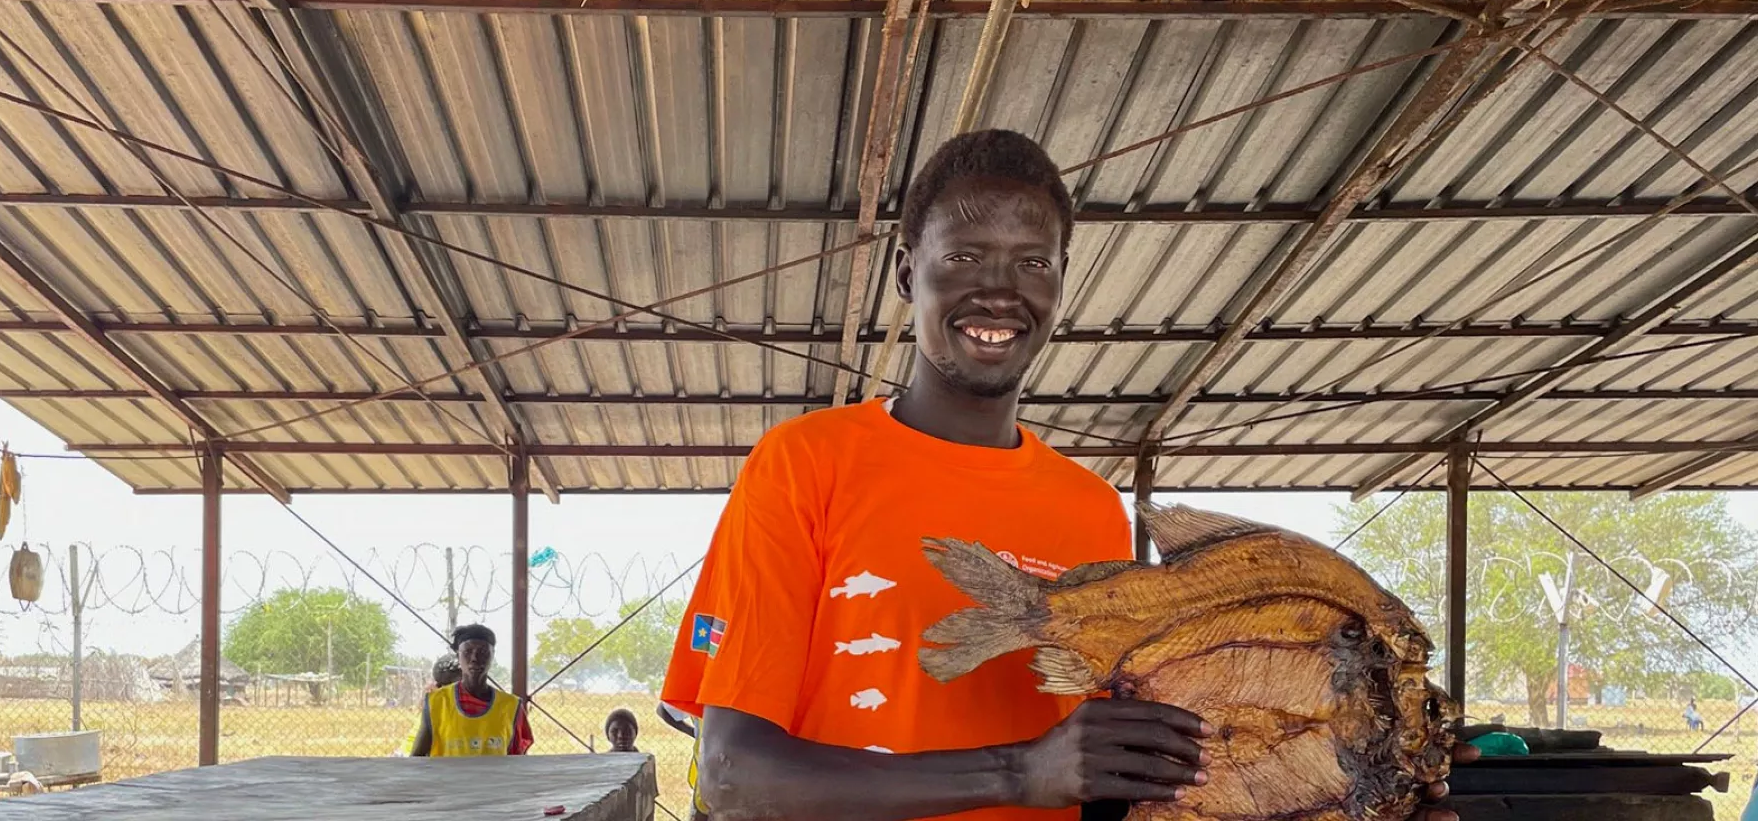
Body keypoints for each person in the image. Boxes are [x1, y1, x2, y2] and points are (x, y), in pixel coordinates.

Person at [656, 129, 1475, 821]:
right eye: (966, 255)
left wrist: (1368, 784)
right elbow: (735, 778)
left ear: (1059, 284)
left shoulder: (1087, 508)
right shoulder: (806, 463)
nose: (999, 290)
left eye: (1032, 263)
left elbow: (1110, 776)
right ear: (909, 274)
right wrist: (1017, 772)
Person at [411, 624, 534, 756]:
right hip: (447, 777)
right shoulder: (436, 702)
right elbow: (416, 759)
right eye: (467, 652)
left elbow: (519, 763)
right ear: (458, 655)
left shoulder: (511, 707)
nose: (474, 659)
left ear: (493, 655)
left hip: (494, 777)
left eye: (483, 652)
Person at [657, 702, 707, 821]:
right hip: (710, 782)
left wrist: (695, 733)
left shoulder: (703, 687)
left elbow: (663, 710)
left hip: (709, 781)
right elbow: (664, 710)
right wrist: (694, 733)